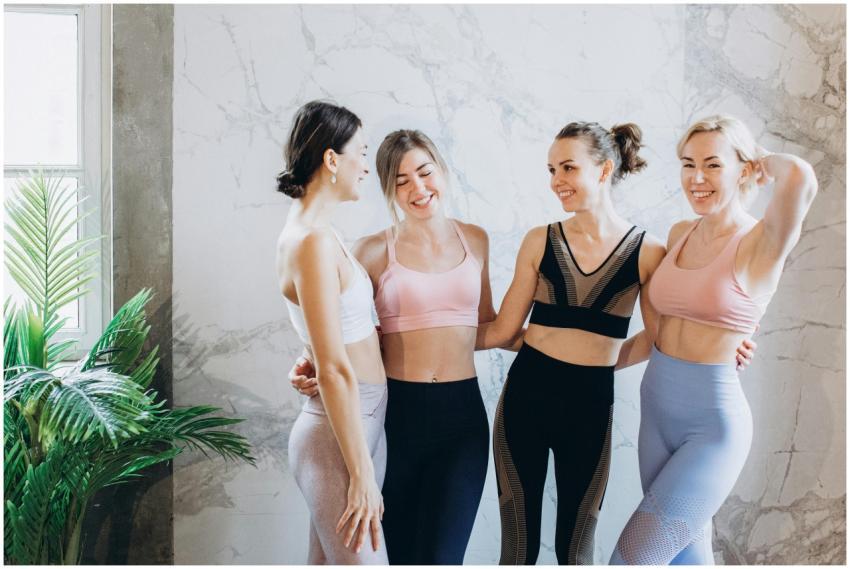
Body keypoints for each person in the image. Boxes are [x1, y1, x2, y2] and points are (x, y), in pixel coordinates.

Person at [608, 115, 818, 565]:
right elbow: (664, 325)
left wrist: (761, 159)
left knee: (630, 560)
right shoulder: (682, 233)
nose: (696, 178)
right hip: (656, 411)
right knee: (687, 555)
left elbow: (800, 178)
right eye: (687, 164)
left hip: (712, 427)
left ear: (744, 170)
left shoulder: (761, 241)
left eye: (712, 164)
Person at [290, 130, 501, 564]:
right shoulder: (370, 252)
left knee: (443, 558)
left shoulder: (475, 239)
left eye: (425, 172)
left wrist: (561, 334)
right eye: (401, 180)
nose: (418, 188)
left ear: (442, 171)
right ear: (388, 189)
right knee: (397, 555)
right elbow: (347, 332)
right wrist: (310, 359)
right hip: (396, 419)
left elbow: (484, 325)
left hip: (462, 422)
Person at [476, 122, 667, 565]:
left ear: (603, 170)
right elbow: (504, 330)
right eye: (550, 169)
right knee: (518, 548)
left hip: (590, 404)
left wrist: (596, 362)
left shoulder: (647, 251)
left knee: (576, 549)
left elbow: (658, 338)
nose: (556, 181)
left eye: (567, 167)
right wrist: (424, 341)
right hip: (526, 397)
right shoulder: (540, 240)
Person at [276, 100, 387, 564]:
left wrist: (306, 359)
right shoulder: (312, 241)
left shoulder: (321, 232)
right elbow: (336, 368)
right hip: (337, 434)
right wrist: (361, 474)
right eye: (360, 151)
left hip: (357, 422)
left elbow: (328, 335)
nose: (366, 166)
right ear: (331, 159)